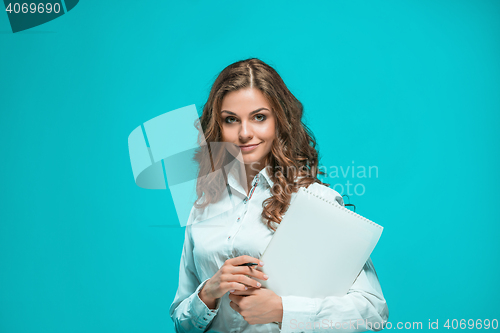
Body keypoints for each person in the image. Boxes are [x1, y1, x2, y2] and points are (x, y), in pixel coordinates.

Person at [169, 58, 389, 332]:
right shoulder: (203, 206)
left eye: (259, 117)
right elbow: (182, 323)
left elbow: (372, 313)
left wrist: (283, 310)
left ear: (279, 120)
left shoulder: (314, 200)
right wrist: (208, 293)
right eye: (231, 120)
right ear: (217, 127)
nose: (244, 133)